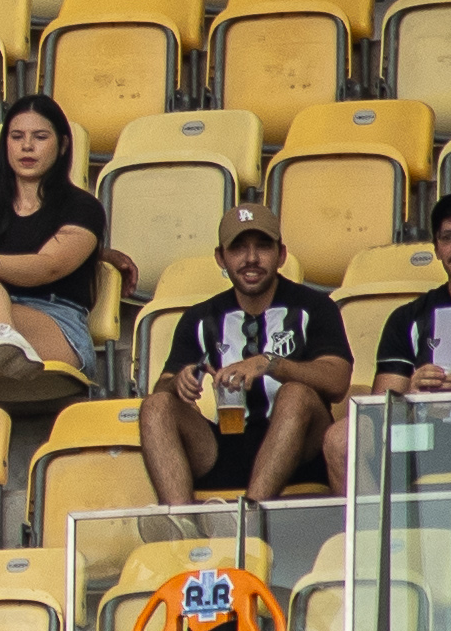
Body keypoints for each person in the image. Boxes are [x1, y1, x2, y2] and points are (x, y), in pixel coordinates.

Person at [142, 209, 353, 506]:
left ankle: (249, 517)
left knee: (296, 394)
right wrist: (178, 383)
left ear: (281, 255)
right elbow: (161, 389)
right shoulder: (200, 318)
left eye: (263, 246)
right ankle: (181, 522)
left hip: (301, 451)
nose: (251, 258)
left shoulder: (314, 307)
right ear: (220, 258)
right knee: (155, 406)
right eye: (238, 248)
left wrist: (270, 364)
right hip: (223, 446)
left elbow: (338, 381)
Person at [0, 99, 108, 405]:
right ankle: (4, 336)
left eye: (40, 137)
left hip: (57, 323)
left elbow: (50, 265)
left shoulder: (83, 208)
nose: (27, 146)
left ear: (63, 145)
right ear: (6, 144)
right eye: (17, 137)